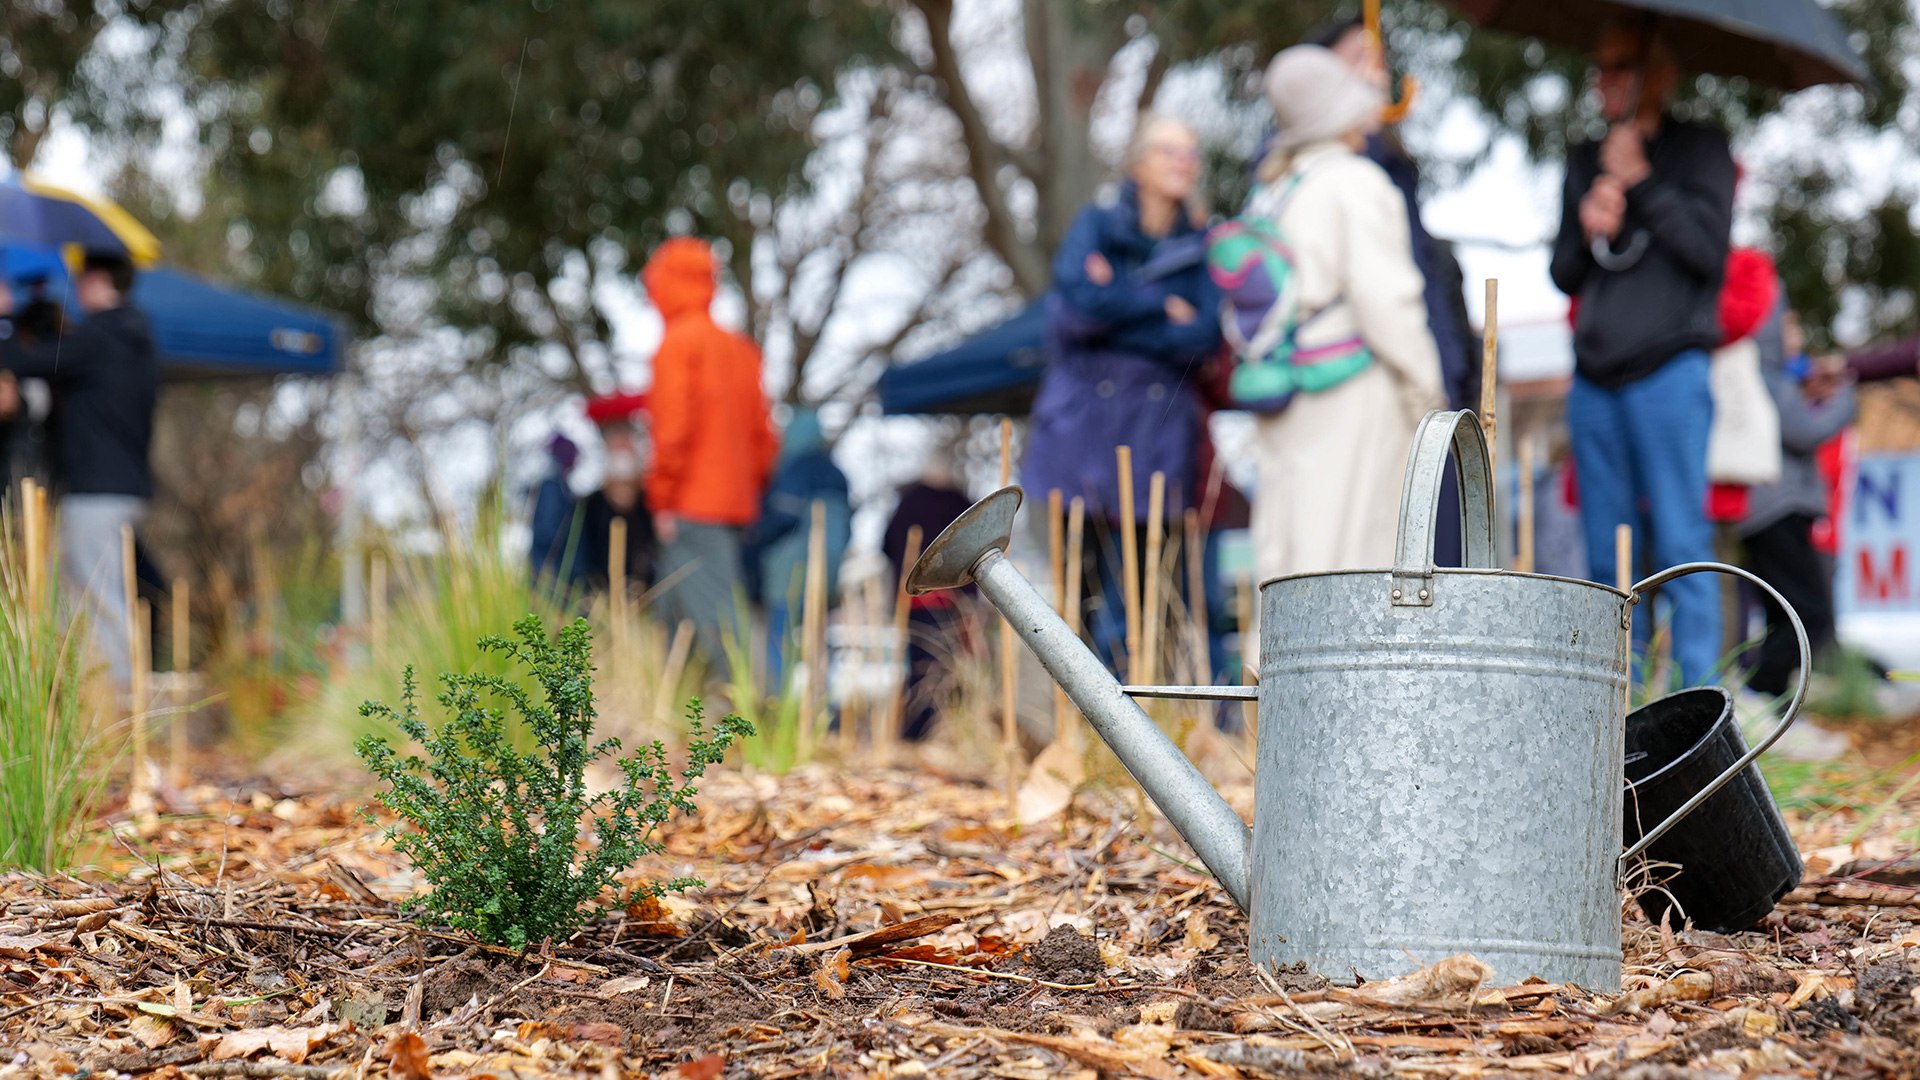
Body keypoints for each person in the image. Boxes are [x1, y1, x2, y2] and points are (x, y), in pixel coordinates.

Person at [1550, 22, 1735, 687]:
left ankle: (1698, 705)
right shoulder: (1582, 158)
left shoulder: (1701, 149)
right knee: (1607, 562)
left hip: (1670, 372)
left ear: (1661, 73)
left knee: (1684, 546)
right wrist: (1589, 217)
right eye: (1599, 67)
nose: (1606, 81)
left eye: (1622, 66)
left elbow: (1709, 255)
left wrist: (1644, 184)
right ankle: (1615, 712)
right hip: (1595, 380)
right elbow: (1565, 271)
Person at [1021, 113, 1222, 667]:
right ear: (1137, 164)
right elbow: (1075, 307)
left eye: (1190, 152)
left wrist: (1117, 304)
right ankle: (1078, 731)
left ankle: (1137, 735)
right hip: (1079, 439)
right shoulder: (1096, 225)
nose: (1184, 162)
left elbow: (1204, 335)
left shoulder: (1202, 243)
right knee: (1077, 599)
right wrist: (1160, 305)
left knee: (1146, 598)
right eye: (1169, 151)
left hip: (1158, 442)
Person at [1244, 45, 1445, 583]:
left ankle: (1272, 666)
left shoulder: (1272, 190)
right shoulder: (1355, 181)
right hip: (1354, 393)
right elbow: (1388, 302)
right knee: (1350, 557)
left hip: (1287, 387)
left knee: (1285, 551)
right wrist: (1427, 391)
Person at [0, 251, 160, 684]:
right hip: (120, 488)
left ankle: (122, 708)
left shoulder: (102, 336)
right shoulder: (137, 336)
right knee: (80, 598)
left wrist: (6, 313)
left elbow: (23, 360)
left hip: (96, 491)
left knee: (101, 598)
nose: (76, 287)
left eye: (81, 278)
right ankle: (89, 699)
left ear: (99, 279)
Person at [641, 237, 777, 663]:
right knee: (674, 620)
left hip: (690, 508)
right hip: (731, 508)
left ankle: (762, 719)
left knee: (722, 632)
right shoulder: (739, 350)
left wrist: (663, 500)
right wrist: (744, 490)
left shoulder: (678, 345)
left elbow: (673, 433)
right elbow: (764, 441)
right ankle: (674, 719)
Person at [1740, 309, 1854, 699]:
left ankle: (1770, 704)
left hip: (1774, 508)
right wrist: (1845, 398)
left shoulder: (1780, 378)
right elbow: (1805, 431)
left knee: (1781, 615)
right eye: (1788, 325)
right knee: (1809, 612)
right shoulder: (1768, 376)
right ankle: (1757, 695)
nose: (1798, 333)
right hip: (1774, 508)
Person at [747, 407, 852, 684]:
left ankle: (779, 709)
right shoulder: (838, 474)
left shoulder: (793, 468)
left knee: (780, 642)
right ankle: (824, 710)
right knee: (818, 643)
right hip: (826, 577)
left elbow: (782, 517)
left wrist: (755, 538)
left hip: (788, 575)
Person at [883, 457, 975, 742]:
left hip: (917, 601)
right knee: (947, 668)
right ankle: (932, 730)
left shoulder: (908, 505)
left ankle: (919, 731)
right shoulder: (961, 505)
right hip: (950, 603)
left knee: (922, 667)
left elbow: (886, 546)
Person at [580, 427, 656, 595]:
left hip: (645, 593)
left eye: (626, 443)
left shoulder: (649, 503)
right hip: (599, 592)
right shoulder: (591, 504)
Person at [528, 432, 585, 590]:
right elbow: (547, 532)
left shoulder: (560, 488)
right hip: (554, 575)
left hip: (561, 574)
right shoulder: (551, 488)